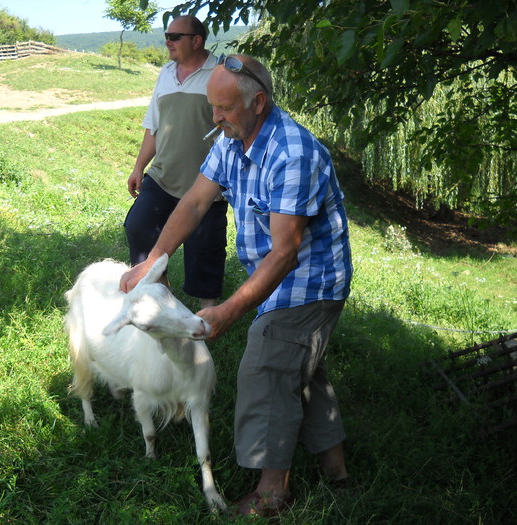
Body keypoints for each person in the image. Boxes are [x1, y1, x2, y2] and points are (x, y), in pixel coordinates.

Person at [120, 54, 353, 518]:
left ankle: (272, 495)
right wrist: (154, 261)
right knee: (298, 369)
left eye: (223, 108)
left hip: (311, 281)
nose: (215, 118)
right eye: (212, 106)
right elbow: (193, 202)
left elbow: (286, 254)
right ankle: (338, 474)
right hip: (280, 275)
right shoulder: (231, 139)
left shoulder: (293, 153)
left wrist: (227, 310)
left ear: (258, 102)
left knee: (266, 364)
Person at [124, 15, 227, 309]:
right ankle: (158, 293)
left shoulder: (219, 74)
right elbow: (153, 126)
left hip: (206, 181)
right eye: (166, 35)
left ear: (196, 40)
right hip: (163, 176)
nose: (167, 41)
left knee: (204, 247)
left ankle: (208, 313)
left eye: (175, 36)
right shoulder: (166, 74)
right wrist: (138, 167)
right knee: (138, 226)